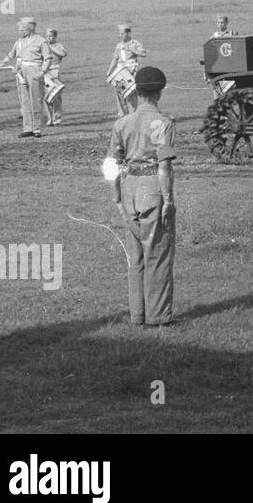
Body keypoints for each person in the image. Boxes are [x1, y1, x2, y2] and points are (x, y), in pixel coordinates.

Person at [108, 66, 178, 327]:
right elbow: (164, 166)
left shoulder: (122, 123)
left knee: (135, 257)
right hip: (152, 188)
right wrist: (168, 200)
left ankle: (137, 315)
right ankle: (158, 315)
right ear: (159, 92)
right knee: (158, 253)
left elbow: (111, 164)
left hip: (129, 188)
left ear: (136, 91)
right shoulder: (163, 123)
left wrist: (116, 195)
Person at [0, 16, 50, 137]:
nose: (21, 31)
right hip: (22, 72)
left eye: (23, 28)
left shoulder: (41, 41)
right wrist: (2, 63)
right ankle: (27, 128)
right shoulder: (19, 41)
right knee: (24, 101)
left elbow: (48, 59)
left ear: (30, 28)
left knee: (36, 100)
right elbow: (11, 54)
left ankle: (37, 128)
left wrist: (42, 72)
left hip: (35, 70)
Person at [106, 23, 147, 116]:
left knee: (130, 93)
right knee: (119, 92)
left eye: (122, 33)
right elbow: (115, 58)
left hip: (131, 72)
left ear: (128, 33)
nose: (120, 36)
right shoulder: (119, 45)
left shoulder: (135, 43)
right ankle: (122, 114)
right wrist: (109, 70)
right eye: (120, 33)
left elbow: (144, 54)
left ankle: (133, 113)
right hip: (120, 72)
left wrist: (133, 50)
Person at [42, 27, 67, 126]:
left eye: (51, 36)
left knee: (56, 95)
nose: (48, 38)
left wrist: (51, 48)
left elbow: (63, 54)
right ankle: (49, 118)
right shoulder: (43, 46)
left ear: (55, 37)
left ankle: (57, 117)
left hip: (54, 71)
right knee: (46, 96)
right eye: (47, 36)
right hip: (45, 71)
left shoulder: (58, 45)